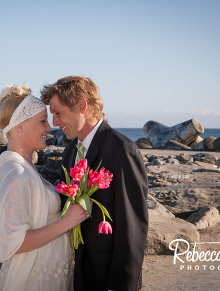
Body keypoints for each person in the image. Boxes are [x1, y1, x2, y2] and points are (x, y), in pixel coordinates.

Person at [0, 84, 89, 291]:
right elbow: (14, 241)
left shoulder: (23, 168)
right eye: (42, 121)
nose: (49, 128)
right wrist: (67, 222)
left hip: (44, 273)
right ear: (19, 126)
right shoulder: (17, 175)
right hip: (32, 280)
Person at [40, 76, 149, 291]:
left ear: (82, 106)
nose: (54, 123)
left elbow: (133, 226)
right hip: (77, 274)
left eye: (58, 112)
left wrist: (121, 286)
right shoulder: (70, 152)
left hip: (107, 277)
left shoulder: (121, 150)